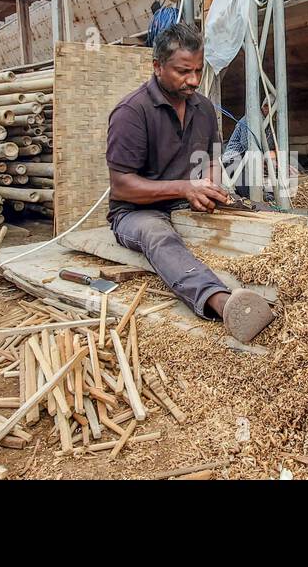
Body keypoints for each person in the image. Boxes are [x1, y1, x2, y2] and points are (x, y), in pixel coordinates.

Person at [106, 23, 275, 343]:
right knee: (158, 235)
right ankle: (221, 303)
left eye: (198, 70)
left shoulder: (205, 109)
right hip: (137, 210)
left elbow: (213, 160)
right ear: (157, 66)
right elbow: (122, 186)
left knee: (261, 214)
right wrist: (183, 188)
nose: (194, 80)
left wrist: (211, 187)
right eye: (183, 71)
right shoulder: (132, 111)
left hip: (189, 200)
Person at [222, 99, 277, 198]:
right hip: (234, 157)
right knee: (249, 193)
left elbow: (269, 145)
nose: (275, 114)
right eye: (274, 111)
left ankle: (263, 192)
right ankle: (252, 195)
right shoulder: (249, 119)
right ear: (265, 107)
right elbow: (246, 145)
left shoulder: (268, 123)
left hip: (250, 157)